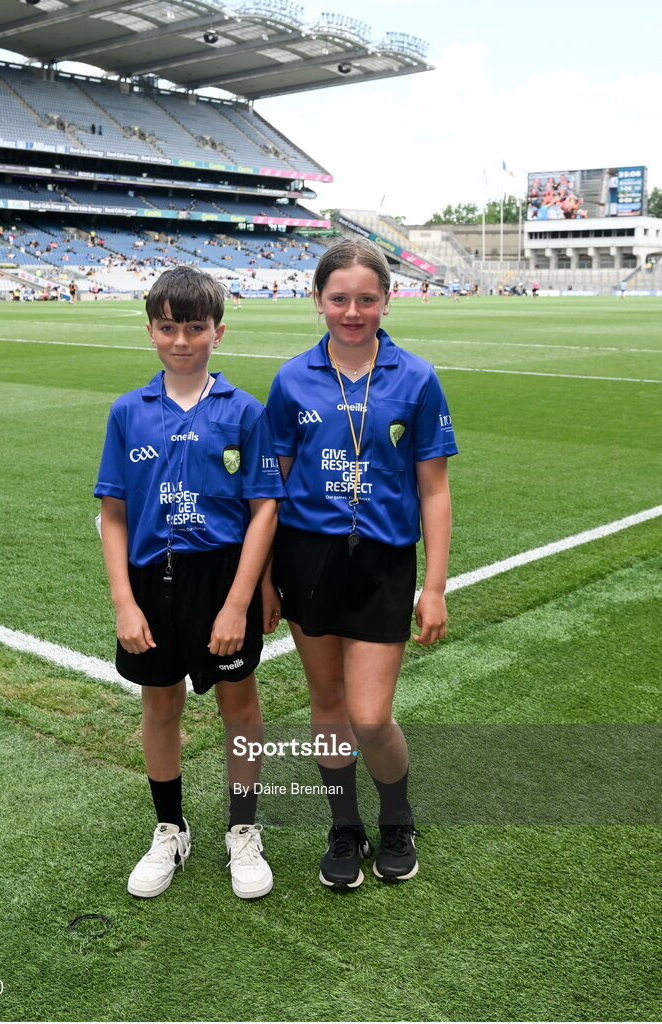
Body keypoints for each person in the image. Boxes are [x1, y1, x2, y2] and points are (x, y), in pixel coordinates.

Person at [266, 238, 458, 890]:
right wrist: (265, 578)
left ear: (386, 299)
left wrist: (433, 586)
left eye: (366, 298)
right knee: (326, 704)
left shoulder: (416, 378)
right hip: (307, 557)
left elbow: (434, 489)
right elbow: (274, 485)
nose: (353, 311)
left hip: (382, 562)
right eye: (339, 298)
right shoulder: (292, 379)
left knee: (370, 715)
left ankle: (397, 819)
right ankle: (344, 826)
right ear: (318, 300)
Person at [95, 266, 285, 900]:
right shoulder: (127, 412)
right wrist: (124, 601)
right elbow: (113, 514)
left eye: (195, 327)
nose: (182, 340)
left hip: (220, 579)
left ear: (218, 332)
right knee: (161, 705)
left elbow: (264, 508)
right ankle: (170, 828)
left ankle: (242, 830)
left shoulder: (244, 412)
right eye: (169, 327)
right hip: (152, 581)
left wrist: (239, 599)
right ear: (150, 331)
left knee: (239, 705)